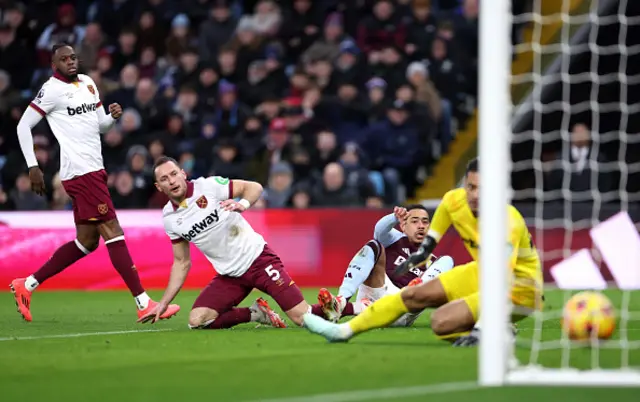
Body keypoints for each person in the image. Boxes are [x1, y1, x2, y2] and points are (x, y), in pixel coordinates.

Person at [11, 43, 180, 322]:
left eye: (73, 57)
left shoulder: (89, 83)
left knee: (87, 242)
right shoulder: (51, 89)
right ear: (55, 65)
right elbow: (22, 126)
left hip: (94, 168)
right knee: (113, 230)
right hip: (80, 171)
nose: (70, 62)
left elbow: (99, 125)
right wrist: (33, 166)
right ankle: (143, 302)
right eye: (64, 59)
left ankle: (26, 285)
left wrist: (111, 118)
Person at [302, 158, 543, 345]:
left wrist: (481, 327)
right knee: (429, 313)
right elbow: (431, 236)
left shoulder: (508, 221)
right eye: (471, 187)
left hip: (519, 287)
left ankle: (492, 329)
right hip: (477, 273)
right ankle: (342, 331)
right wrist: (419, 254)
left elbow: (501, 280)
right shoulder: (453, 201)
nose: (476, 195)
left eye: (483, 188)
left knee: (439, 312)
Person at [139, 156, 313, 329]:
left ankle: (340, 306)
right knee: (197, 320)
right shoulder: (170, 218)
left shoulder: (208, 186)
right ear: (158, 187)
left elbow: (254, 187)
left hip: (258, 261)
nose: (171, 181)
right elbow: (181, 262)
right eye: (164, 179)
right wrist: (163, 304)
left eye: (174, 174)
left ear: (183, 174)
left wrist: (243, 204)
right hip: (231, 276)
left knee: (301, 317)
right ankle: (256, 313)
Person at [312, 205, 454, 327]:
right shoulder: (395, 239)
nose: (421, 226)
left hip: (403, 306)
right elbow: (379, 231)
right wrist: (394, 217)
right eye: (415, 221)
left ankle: (349, 308)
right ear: (403, 225)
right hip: (377, 291)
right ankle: (342, 300)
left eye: (425, 222)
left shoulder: (435, 263)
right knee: (373, 245)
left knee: (447, 260)